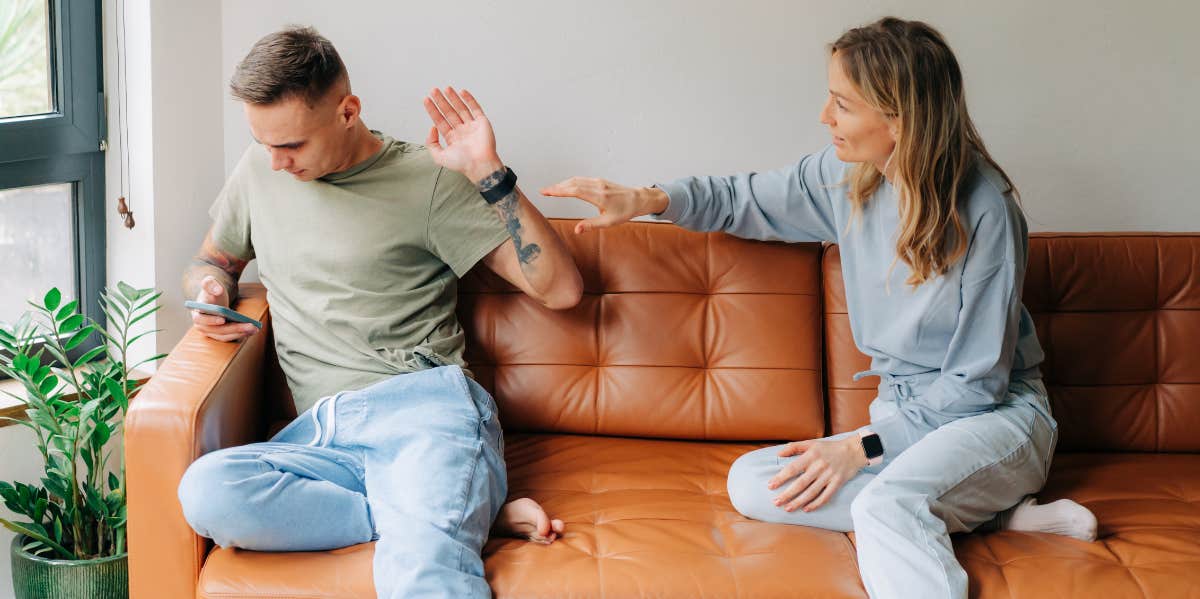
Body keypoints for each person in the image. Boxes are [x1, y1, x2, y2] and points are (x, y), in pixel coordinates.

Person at [541, 16, 1097, 599]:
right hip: (904, 421)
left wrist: (858, 448)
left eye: (842, 104)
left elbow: (975, 385)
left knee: (887, 503)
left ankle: (972, 507)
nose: (824, 117)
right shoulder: (847, 178)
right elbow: (742, 198)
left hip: (993, 421)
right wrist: (647, 198)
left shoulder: (986, 209)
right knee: (753, 483)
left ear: (899, 118)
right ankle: (999, 518)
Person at [176, 26, 580, 598]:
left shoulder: (431, 179)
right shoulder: (259, 169)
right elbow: (209, 261)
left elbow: (560, 289)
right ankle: (451, 512)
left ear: (348, 111)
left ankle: (438, 515)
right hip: (320, 435)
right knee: (208, 493)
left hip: (425, 414)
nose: (275, 163)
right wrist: (211, 289)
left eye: (291, 145)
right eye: (264, 144)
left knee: (420, 573)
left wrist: (488, 171)